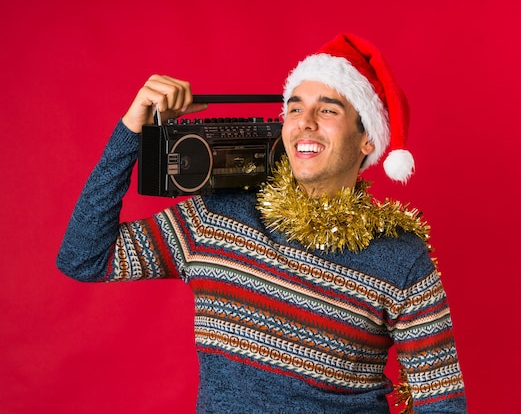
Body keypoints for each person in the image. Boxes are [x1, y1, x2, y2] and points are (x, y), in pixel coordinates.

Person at [57, 34, 467, 413]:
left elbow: (442, 402)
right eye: (294, 108)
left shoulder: (402, 258)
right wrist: (132, 129)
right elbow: (84, 257)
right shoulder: (215, 217)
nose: (304, 121)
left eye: (327, 110)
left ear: (368, 140)